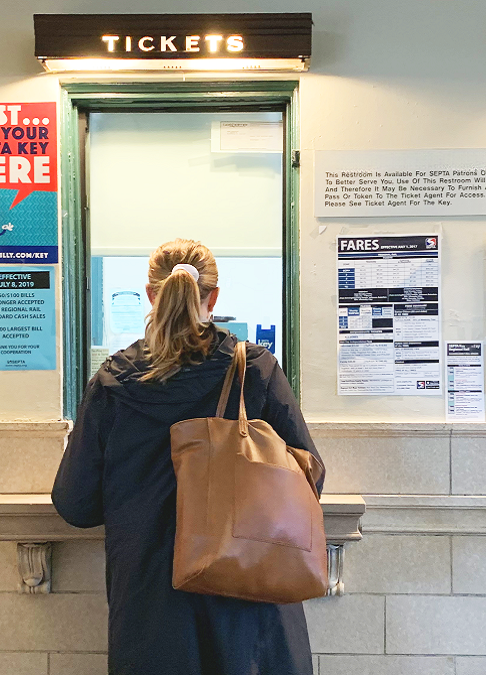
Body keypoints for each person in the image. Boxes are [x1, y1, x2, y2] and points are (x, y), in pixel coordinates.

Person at [53, 239, 323, 675]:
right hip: (248, 603)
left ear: (151, 294)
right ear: (213, 297)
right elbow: (308, 481)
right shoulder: (255, 370)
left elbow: (75, 504)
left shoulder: (114, 381)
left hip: (150, 611)